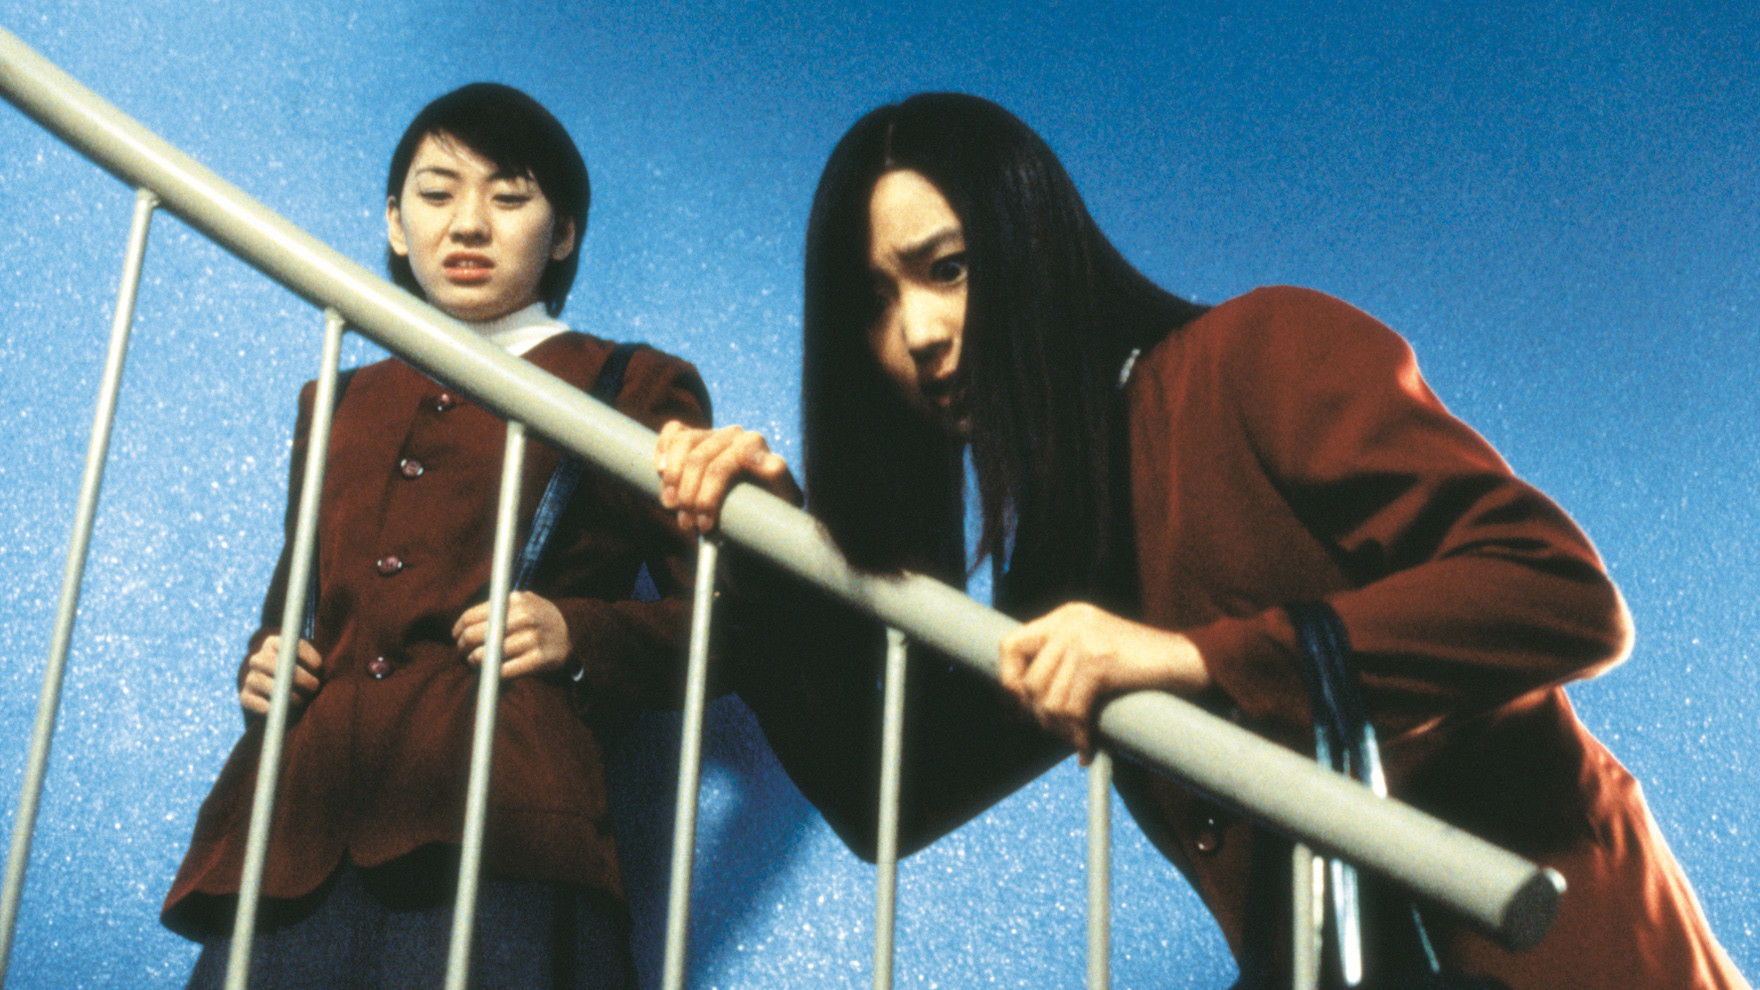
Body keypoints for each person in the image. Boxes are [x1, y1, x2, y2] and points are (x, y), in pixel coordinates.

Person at [654, 93, 1748, 988]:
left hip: (1576, 958)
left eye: (949, 268)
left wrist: (1196, 660)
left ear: (1035, 245)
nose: (920, 335)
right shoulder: (1070, 554)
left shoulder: (1259, 353)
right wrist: (763, 545)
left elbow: (1561, 594)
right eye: (873, 304)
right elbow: (893, 800)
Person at [163, 83, 709, 989]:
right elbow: (298, 603)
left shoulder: (629, 385)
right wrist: (265, 662)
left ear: (563, 234)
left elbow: (735, 620)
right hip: (295, 832)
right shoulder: (336, 397)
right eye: (436, 192)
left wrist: (581, 634)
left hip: (505, 827)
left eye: (510, 196)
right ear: (394, 220)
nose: (468, 224)